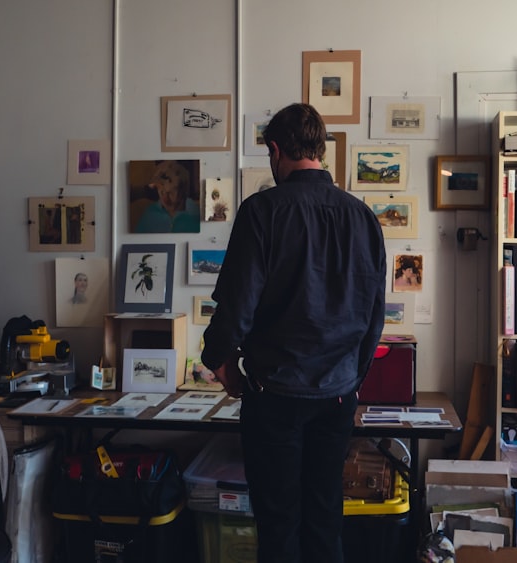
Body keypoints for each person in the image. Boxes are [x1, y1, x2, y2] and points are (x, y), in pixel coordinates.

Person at [201, 103, 387, 563]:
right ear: (321, 150)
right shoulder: (362, 217)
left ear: (275, 150)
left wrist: (223, 366)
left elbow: (235, 308)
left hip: (275, 397)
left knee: (279, 525)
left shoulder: (262, 211)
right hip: (337, 397)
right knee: (325, 520)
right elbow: (374, 317)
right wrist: (353, 380)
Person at [134, 160, 200, 233]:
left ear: (182, 190)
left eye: (170, 192)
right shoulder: (149, 214)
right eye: (161, 191)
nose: (165, 197)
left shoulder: (196, 214)